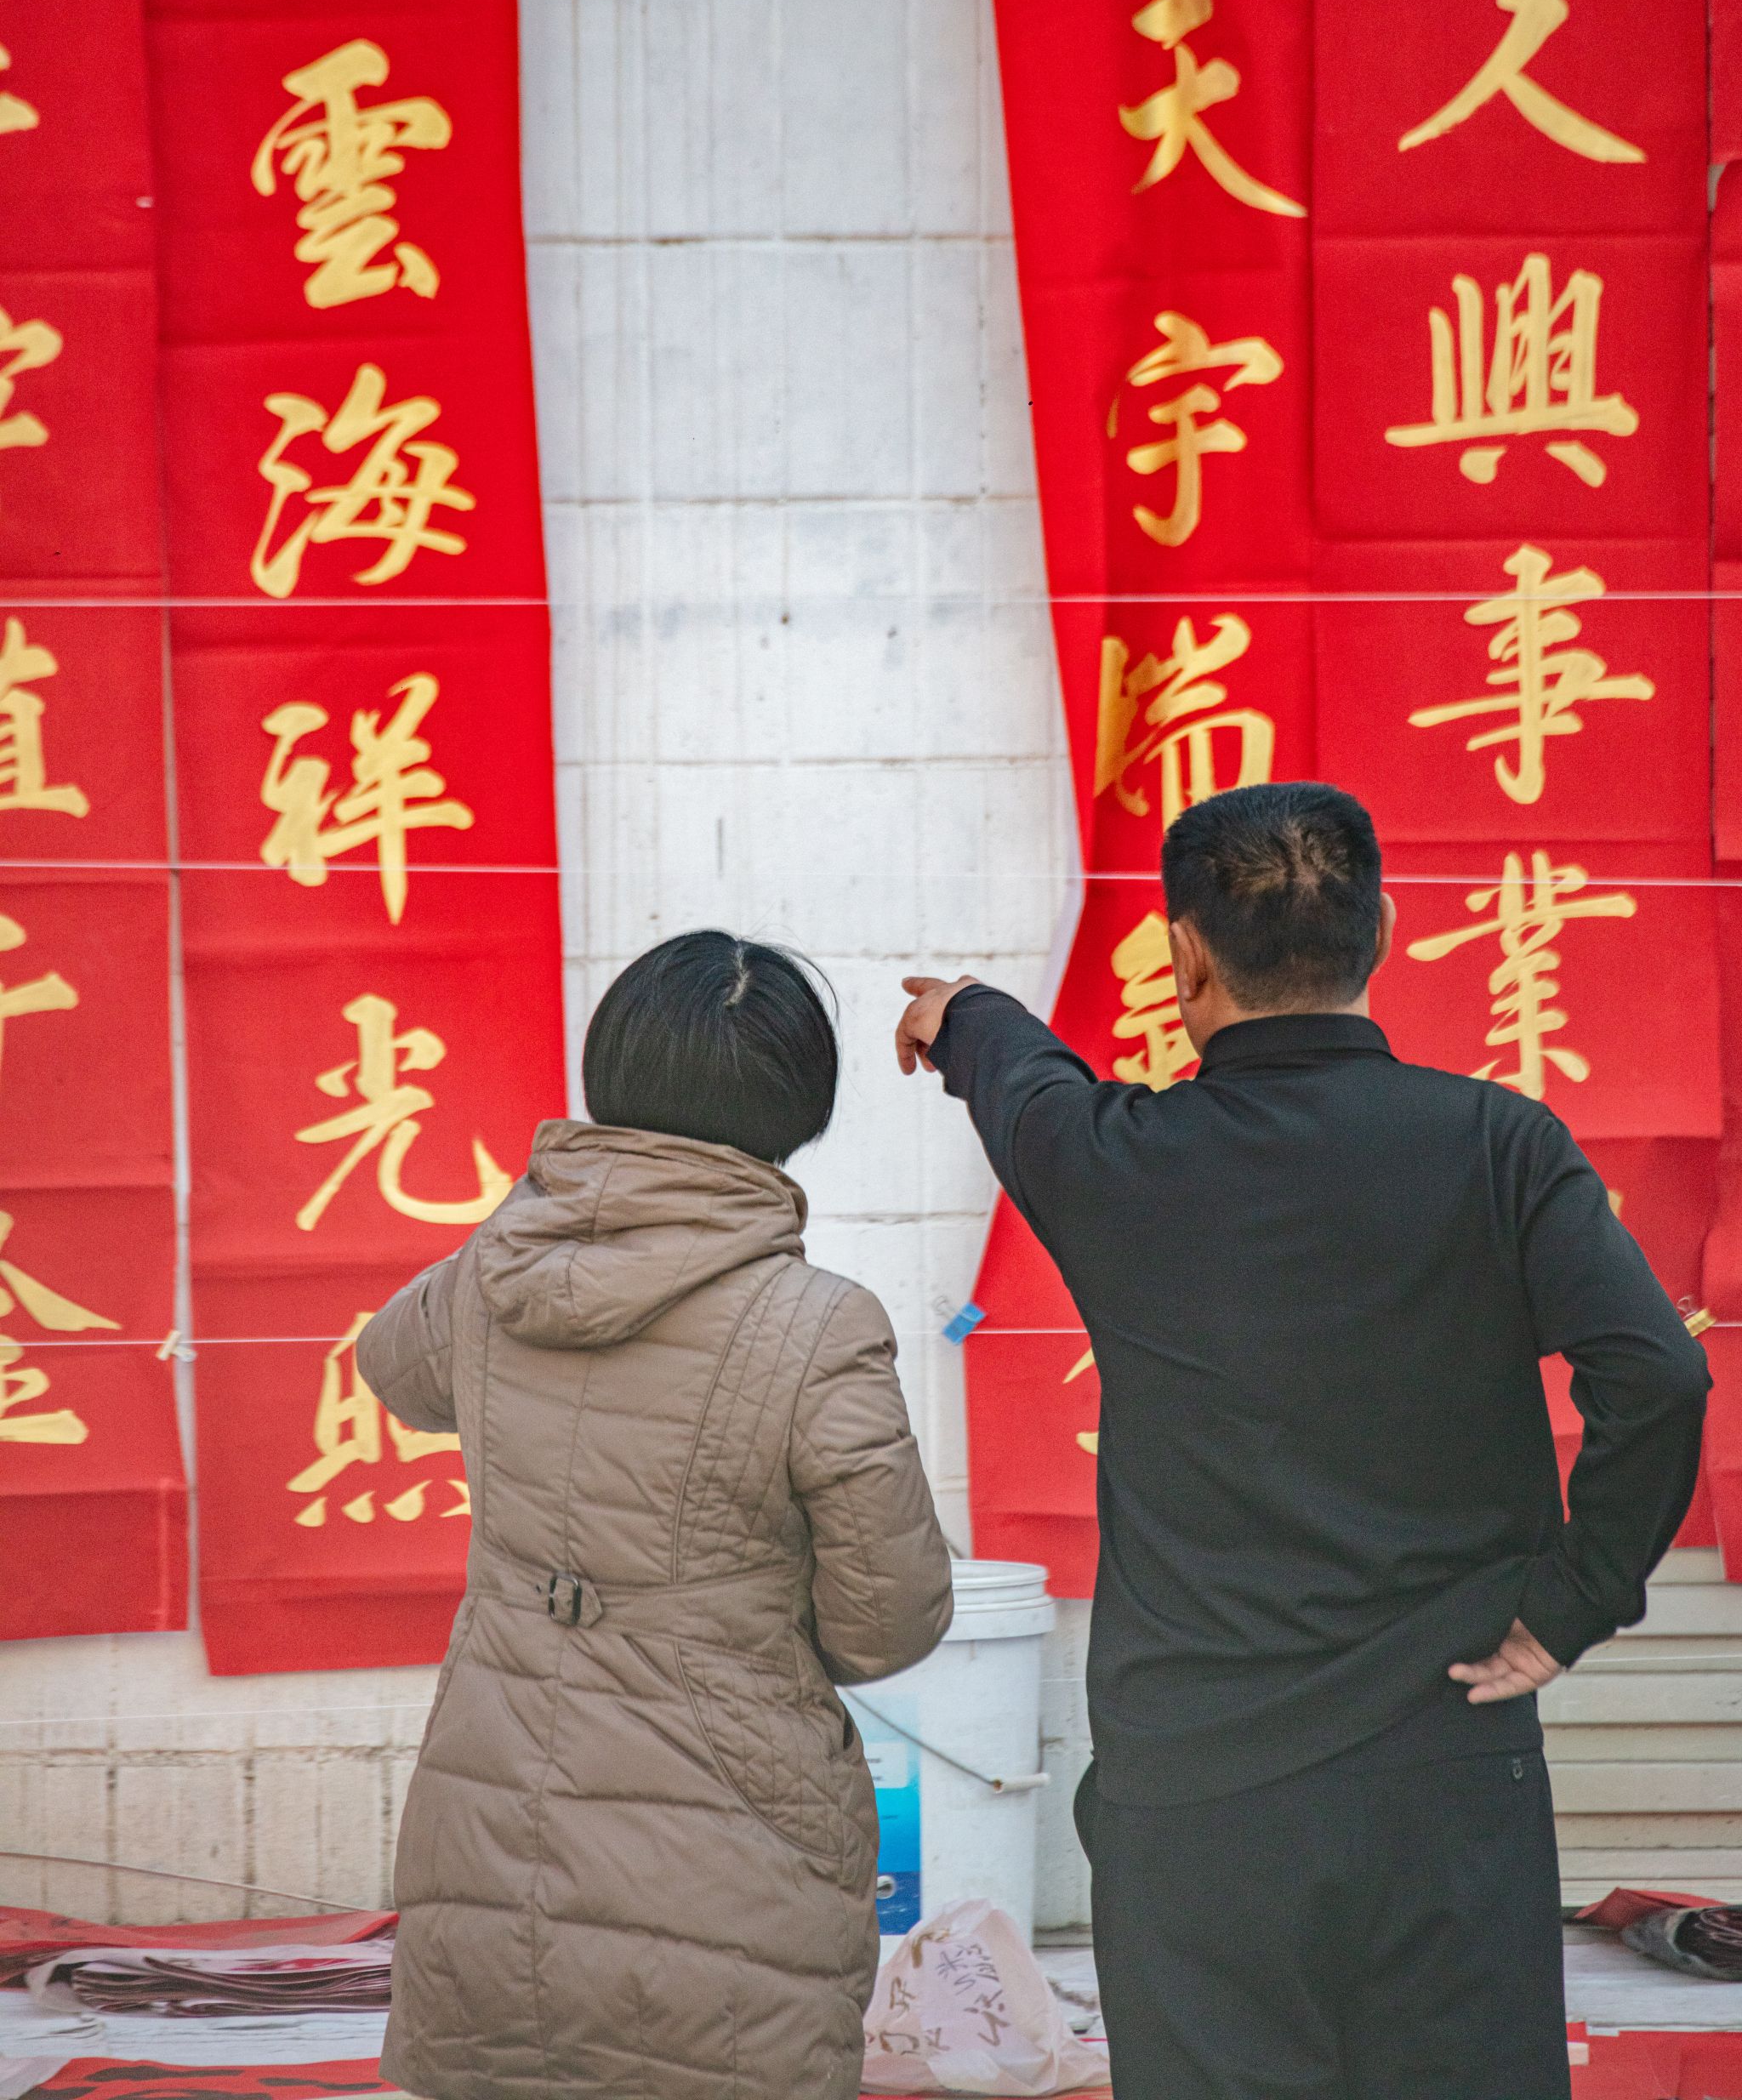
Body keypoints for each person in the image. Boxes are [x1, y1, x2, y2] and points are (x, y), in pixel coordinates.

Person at [895, 782, 1711, 2100]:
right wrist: (1575, 1600)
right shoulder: (1497, 1145)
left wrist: (962, 1013)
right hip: (1447, 1766)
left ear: (1185, 958)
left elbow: (1024, 1076)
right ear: (1379, 929)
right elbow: (1659, 1376)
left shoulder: (1116, 1158)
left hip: (1197, 1798)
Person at [361, 929, 954, 2100]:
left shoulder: (497, 1269)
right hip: (731, 1850)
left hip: (491, 1829)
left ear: (609, 1075)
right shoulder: (819, 1324)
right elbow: (889, 1625)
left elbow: (394, 1369)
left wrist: (543, 1210)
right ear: (799, 1107)